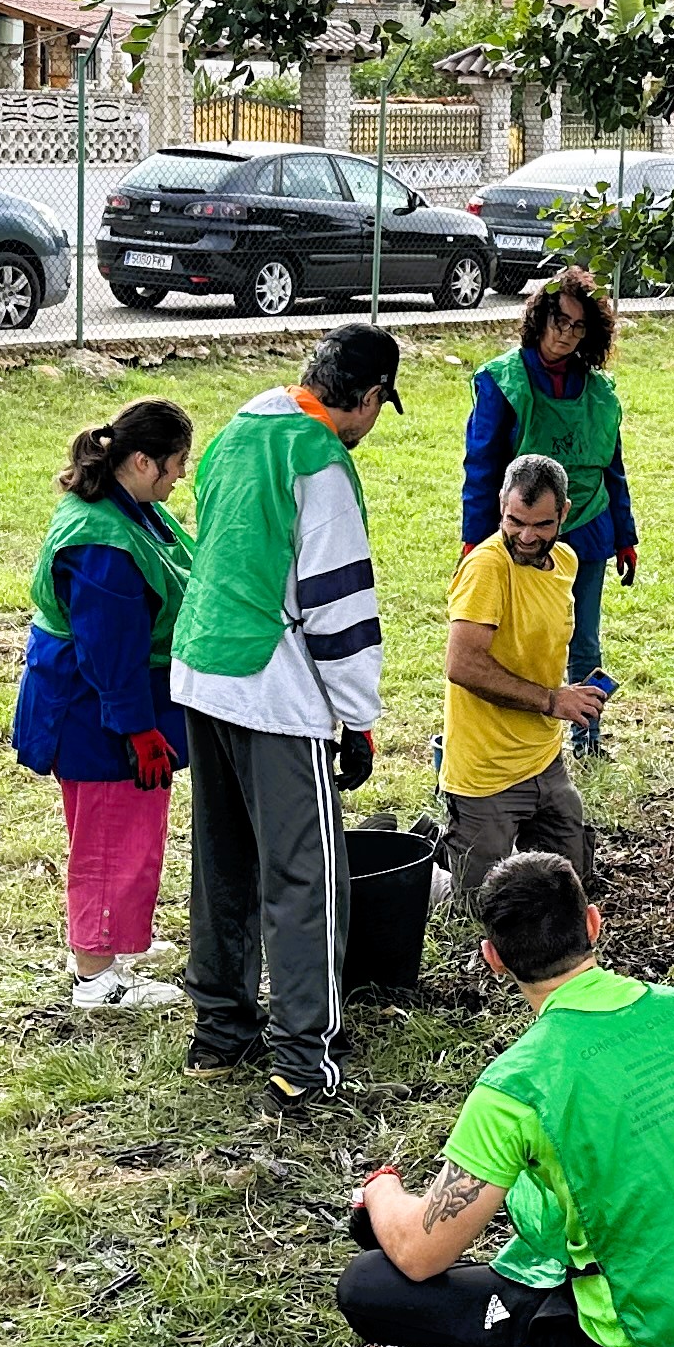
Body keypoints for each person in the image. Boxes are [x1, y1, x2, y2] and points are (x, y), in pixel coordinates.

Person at [336, 851, 674, 1347]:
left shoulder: (518, 1086)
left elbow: (419, 1255)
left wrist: (381, 1192)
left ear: (494, 958)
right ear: (593, 923)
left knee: (368, 1284)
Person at [175, 324, 400, 1107]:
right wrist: (357, 717)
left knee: (224, 861)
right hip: (275, 689)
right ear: (368, 399)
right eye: (378, 409)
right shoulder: (321, 461)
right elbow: (339, 602)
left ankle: (221, 1032)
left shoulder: (237, 433)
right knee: (308, 877)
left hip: (204, 670)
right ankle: (303, 1064)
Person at [14, 398, 198, 1015]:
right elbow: (109, 650)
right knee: (109, 841)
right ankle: (98, 981)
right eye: (175, 466)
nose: (179, 478)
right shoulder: (105, 545)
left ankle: (105, 951)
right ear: (142, 461)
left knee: (118, 834)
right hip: (100, 711)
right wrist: (138, 730)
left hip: (109, 703)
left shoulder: (129, 507)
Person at [463, 270, 636, 756]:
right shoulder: (505, 381)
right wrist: (476, 541)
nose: (566, 332)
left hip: (587, 529)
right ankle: (516, 734)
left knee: (583, 638)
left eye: (579, 326)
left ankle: (586, 739)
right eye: (559, 320)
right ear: (540, 318)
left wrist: (625, 535)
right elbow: (481, 467)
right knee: (518, 637)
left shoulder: (600, 393)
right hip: (523, 537)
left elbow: (613, 467)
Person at [443, 454, 605, 902]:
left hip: (543, 760)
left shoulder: (567, 562)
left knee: (569, 888)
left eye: (542, 525)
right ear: (500, 505)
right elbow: (463, 666)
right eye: (515, 521)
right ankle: (436, 864)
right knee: (481, 907)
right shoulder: (485, 569)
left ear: (564, 514)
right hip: (485, 771)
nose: (528, 536)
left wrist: (574, 695)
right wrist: (553, 701)